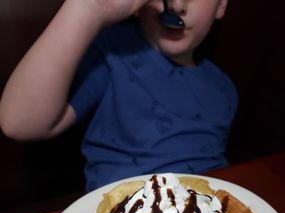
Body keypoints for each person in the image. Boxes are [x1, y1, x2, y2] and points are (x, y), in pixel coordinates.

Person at [0, 0, 237, 192]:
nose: (175, 5)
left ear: (221, 5)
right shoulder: (113, 56)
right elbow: (19, 122)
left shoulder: (223, 87)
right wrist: (89, 8)